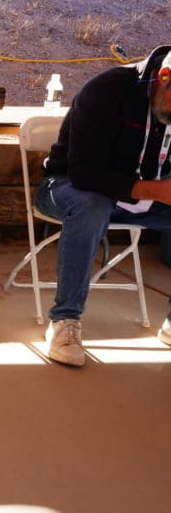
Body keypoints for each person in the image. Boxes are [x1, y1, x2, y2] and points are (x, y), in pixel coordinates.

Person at [36, 45, 171, 366]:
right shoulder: (107, 90)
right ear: (163, 77)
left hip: (145, 197)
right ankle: (64, 321)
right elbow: (84, 172)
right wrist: (158, 190)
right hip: (67, 187)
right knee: (92, 205)